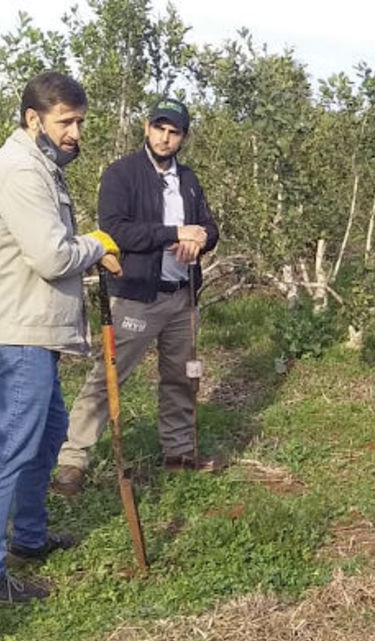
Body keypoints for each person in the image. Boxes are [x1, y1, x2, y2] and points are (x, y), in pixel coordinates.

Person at [52, 98, 220, 497]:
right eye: (159, 127)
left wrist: (200, 239)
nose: (165, 137)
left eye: (174, 130)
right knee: (108, 377)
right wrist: (174, 234)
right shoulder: (121, 174)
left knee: (181, 378)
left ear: (183, 136)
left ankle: (179, 454)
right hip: (137, 297)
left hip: (182, 297)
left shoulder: (190, 179)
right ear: (146, 128)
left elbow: (209, 228)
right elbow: (116, 231)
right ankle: (72, 461)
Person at [0, 72, 122, 602]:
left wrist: (87, 246)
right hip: (19, 330)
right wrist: (95, 243)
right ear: (34, 119)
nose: (75, 131)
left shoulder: (44, 166)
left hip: (38, 331)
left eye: (80, 121)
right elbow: (52, 257)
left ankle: (28, 538)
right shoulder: (22, 170)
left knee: (48, 437)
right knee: (13, 449)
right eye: (66, 121)